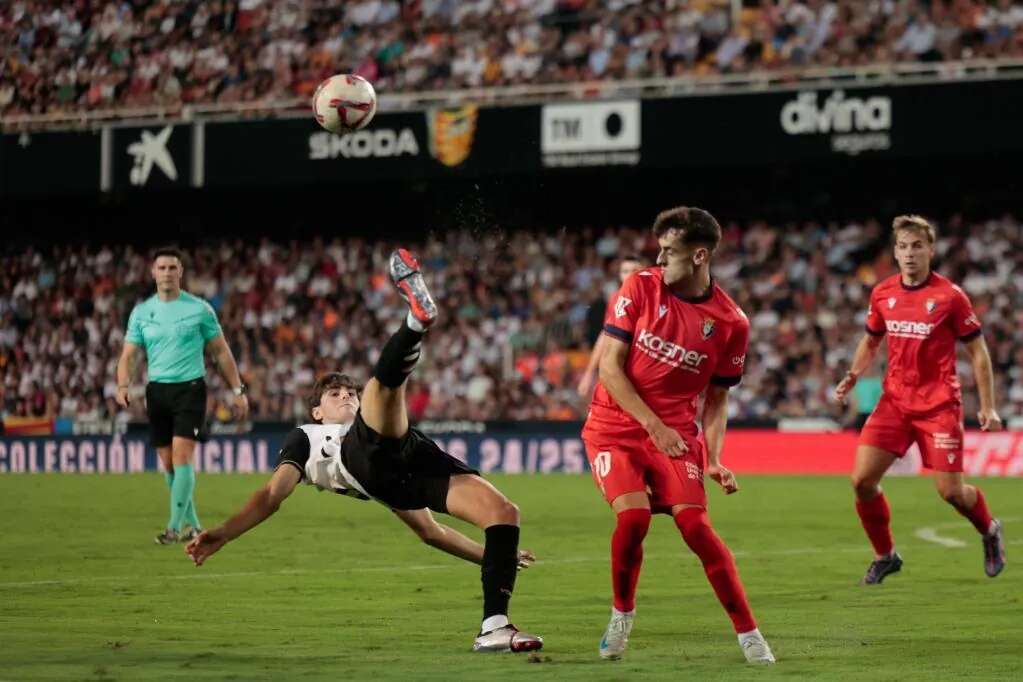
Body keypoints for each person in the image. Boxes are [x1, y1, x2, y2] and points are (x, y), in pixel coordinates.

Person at [185, 249, 544, 654]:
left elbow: (430, 532)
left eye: (349, 393)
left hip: (401, 468)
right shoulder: (306, 438)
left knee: (503, 513)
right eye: (335, 395)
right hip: (362, 459)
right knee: (385, 390)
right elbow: (271, 496)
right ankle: (415, 323)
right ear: (316, 412)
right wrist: (224, 534)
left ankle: (494, 627)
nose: (346, 397)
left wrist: (495, 558)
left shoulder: (373, 437)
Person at [581, 207, 774, 664]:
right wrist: (653, 426)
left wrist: (712, 458)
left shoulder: (731, 323)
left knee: (696, 527)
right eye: (659, 250)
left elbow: (718, 399)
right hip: (615, 427)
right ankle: (621, 615)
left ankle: (750, 635)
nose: (659, 259)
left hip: (675, 434)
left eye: (669, 252)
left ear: (700, 256)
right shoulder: (640, 288)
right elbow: (609, 367)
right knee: (633, 520)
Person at [835, 215, 1006, 584]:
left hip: (939, 406)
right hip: (894, 403)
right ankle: (886, 555)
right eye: (902, 246)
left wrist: (988, 405)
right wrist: (854, 373)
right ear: (894, 253)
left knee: (951, 493)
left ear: (930, 250)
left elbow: (978, 352)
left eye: (916, 246)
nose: (909, 253)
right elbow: (871, 339)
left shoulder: (950, 297)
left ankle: (989, 529)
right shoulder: (882, 293)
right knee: (862, 481)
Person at [116, 247, 249, 545]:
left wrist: (238, 390)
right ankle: (195, 525)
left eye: (171, 268)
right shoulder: (141, 312)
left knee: (182, 456)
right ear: (152, 273)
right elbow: (128, 355)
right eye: (161, 268)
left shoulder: (199, 309)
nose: (166, 273)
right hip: (157, 391)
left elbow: (220, 352)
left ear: (180, 272)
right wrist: (123, 385)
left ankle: (173, 529)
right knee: (167, 463)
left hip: (190, 389)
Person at [577, 254, 645, 400]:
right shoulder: (615, 298)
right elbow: (606, 336)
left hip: (645, 372)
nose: (630, 275)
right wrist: (589, 373)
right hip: (620, 371)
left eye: (635, 270)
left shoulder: (655, 300)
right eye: (625, 271)